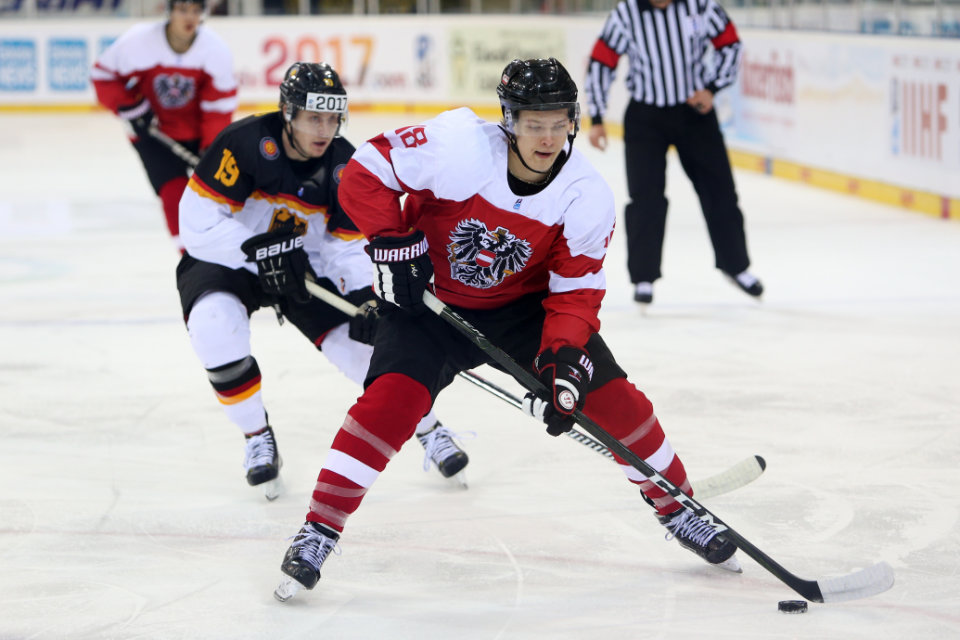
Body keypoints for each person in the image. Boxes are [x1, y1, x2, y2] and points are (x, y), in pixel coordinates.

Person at [274, 57, 739, 601]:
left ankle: (679, 508)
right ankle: (320, 528)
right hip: (429, 305)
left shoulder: (585, 194)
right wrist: (393, 240)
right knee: (390, 404)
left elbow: (576, 292)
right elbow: (364, 173)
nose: (547, 138)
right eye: (534, 123)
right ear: (509, 120)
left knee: (616, 402)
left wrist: (562, 359)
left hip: (523, 312)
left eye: (559, 123)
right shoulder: (460, 146)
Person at [176, 62, 469, 500]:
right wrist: (260, 250)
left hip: (304, 268)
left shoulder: (346, 166)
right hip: (232, 258)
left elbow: (346, 249)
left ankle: (428, 427)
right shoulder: (243, 142)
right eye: (314, 118)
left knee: (363, 352)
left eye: (333, 119)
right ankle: (256, 435)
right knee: (214, 326)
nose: (325, 130)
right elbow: (197, 220)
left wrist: (368, 296)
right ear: (288, 113)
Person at [583, 0, 763, 305]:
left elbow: (731, 44)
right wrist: (598, 117)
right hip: (645, 116)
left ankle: (736, 266)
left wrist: (713, 87)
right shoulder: (627, 13)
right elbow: (602, 61)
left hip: (695, 112)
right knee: (645, 198)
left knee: (720, 190)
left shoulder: (700, 6)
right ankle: (643, 276)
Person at [91, 0, 237, 252]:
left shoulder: (215, 50)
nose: (189, 17)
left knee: (214, 198)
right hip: (153, 133)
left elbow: (219, 107)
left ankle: (221, 250)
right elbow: (102, 76)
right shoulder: (140, 41)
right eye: (183, 10)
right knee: (173, 195)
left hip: (196, 132)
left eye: (196, 11)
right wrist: (131, 107)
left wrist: (211, 146)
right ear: (169, 11)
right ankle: (190, 259)